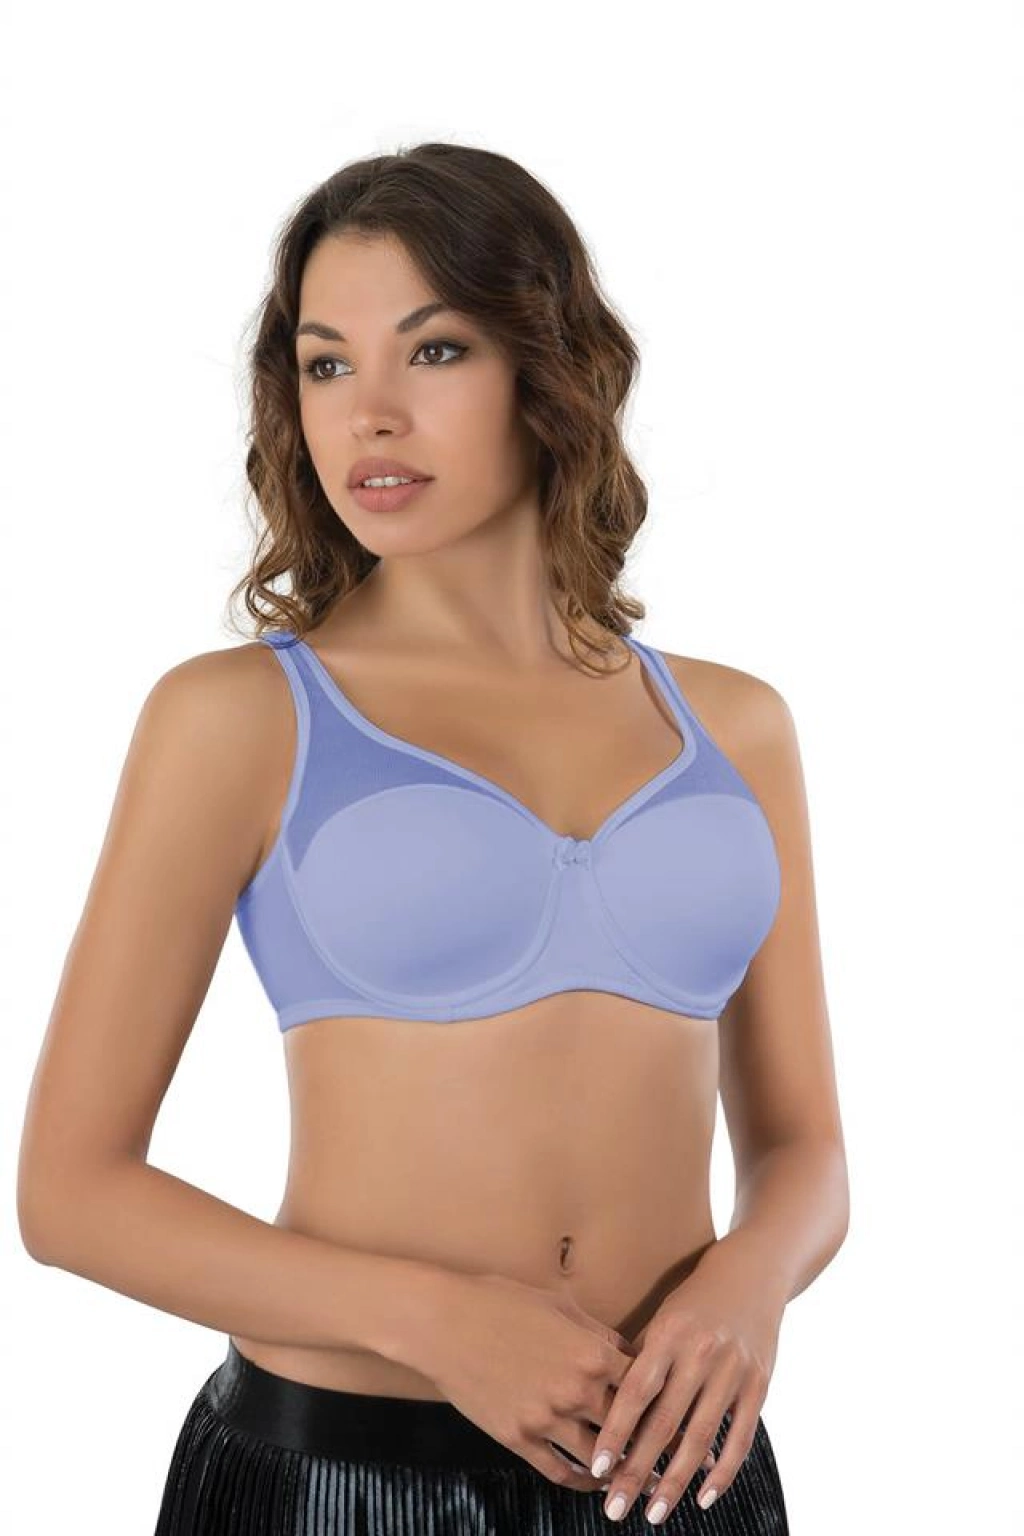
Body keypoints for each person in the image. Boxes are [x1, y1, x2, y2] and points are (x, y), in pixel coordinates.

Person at [17, 142, 848, 1535]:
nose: (371, 415)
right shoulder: (242, 718)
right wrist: (436, 1321)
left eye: (436, 350)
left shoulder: (735, 726)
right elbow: (69, 1194)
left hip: (679, 1470)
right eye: (326, 365)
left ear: (548, 369)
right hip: (341, 1477)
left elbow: (806, 1145)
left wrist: (747, 1285)